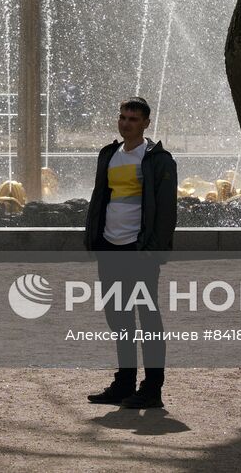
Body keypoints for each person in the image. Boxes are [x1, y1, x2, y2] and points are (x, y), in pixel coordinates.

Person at [82, 96, 178, 409]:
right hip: (110, 247)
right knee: (119, 318)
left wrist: (152, 252)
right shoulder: (109, 154)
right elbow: (100, 198)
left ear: (146, 123)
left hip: (139, 252)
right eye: (122, 117)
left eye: (133, 119)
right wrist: (93, 239)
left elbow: (166, 213)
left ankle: (152, 388)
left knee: (148, 319)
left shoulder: (159, 160)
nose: (126, 123)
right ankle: (124, 383)